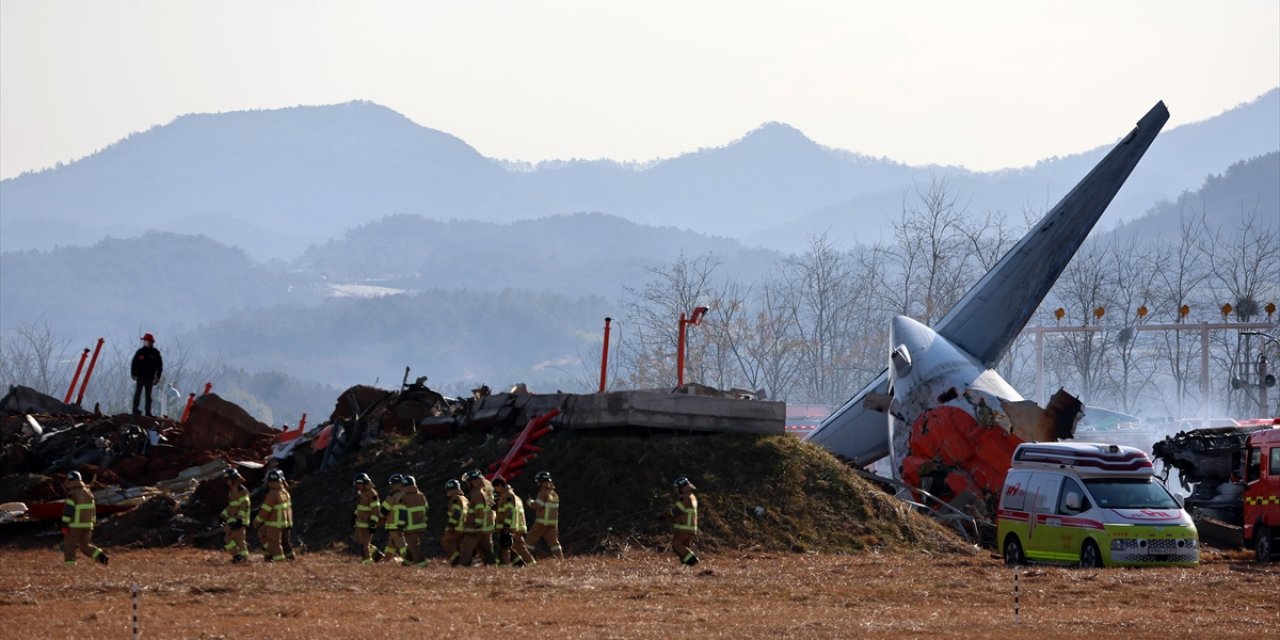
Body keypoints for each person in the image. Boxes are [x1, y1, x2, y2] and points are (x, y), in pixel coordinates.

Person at [60, 470, 109, 566]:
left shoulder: (72, 493)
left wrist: (65, 524)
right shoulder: (88, 492)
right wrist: (93, 522)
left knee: (69, 545)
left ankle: (70, 566)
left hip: (75, 525)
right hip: (88, 524)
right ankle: (101, 558)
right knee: (85, 546)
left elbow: (68, 510)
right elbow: (93, 509)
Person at [493, 476, 535, 567]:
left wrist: (506, 526)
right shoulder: (514, 496)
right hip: (516, 526)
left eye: (496, 488)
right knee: (515, 548)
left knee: (518, 548)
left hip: (511, 528)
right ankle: (523, 565)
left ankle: (532, 566)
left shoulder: (507, 496)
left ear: (499, 485)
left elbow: (510, 512)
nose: (496, 490)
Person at [457, 469, 495, 566]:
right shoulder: (485, 492)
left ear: (473, 482)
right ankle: (491, 566)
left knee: (467, 547)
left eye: (468, 482)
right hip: (487, 527)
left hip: (476, 528)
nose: (467, 485)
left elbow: (479, 511)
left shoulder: (477, 494)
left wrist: (476, 525)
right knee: (486, 549)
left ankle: (463, 567)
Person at [252, 470, 292, 562]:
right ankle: (288, 557)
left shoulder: (272, 494)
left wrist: (256, 522)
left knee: (274, 543)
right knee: (263, 534)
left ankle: (279, 561)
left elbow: (265, 511)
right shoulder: (285, 492)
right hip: (285, 522)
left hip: (274, 523)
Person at [525, 471, 563, 560]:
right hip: (552, 524)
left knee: (529, 541)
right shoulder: (554, 494)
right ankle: (560, 560)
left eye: (538, 482)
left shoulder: (543, 493)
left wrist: (529, 502)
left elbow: (538, 506)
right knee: (554, 544)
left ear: (541, 482)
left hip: (541, 523)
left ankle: (525, 559)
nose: (537, 484)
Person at [220, 468, 251, 563]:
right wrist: (222, 515)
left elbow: (244, 505)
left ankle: (238, 557)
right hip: (233, 518)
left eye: (228, 479)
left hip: (239, 520)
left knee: (226, 538)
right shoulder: (232, 491)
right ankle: (244, 559)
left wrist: (240, 520)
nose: (227, 482)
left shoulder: (241, 490)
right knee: (240, 540)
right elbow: (232, 506)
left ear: (233, 479)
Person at [398, 475, 429, 567]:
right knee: (412, 547)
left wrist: (400, 527)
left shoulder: (404, 498)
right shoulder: (421, 496)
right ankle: (405, 565)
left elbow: (402, 514)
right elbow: (426, 511)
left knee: (414, 548)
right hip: (421, 527)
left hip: (410, 528)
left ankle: (422, 566)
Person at [352, 473, 383, 564]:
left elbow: (375, 510)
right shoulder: (362, 493)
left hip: (368, 523)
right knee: (360, 542)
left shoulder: (372, 494)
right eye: (356, 484)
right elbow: (361, 507)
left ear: (365, 483)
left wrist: (373, 523)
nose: (358, 486)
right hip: (360, 523)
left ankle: (367, 563)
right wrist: (354, 515)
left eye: (359, 484)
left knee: (364, 545)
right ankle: (378, 556)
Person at [130, 333, 163, 417]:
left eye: (147, 341)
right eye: (145, 341)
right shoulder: (140, 352)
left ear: (151, 342)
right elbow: (134, 363)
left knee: (148, 395)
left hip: (150, 377)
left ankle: (148, 412)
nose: (146, 343)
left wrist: (158, 376)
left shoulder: (155, 353)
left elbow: (159, 366)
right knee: (138, 393)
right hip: (140, 376)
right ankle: (135, 410)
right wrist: (133, 373)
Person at [669, 476, 699, 566]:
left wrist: (666, 515)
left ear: (682, 487)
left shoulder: (686, 498)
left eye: (677, 488)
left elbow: (676, 511)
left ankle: (693, 560)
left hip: (685, 527)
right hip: (690, 527)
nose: (676, 491)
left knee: (676, 545)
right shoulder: (691, 496)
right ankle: (687, 565)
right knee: (684, 547)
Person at [378, 473, 406, 562]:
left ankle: (409, 561)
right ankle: (386, 561)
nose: (391, 486)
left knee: (401, 545)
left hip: (394, 526)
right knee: (390, 545)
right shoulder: (406, 494)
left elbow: (383, 512)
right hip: (402, 525)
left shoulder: (393, 496)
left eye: (392, 484)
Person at [442, 479, 468, 565]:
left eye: (448, 490)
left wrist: (451, 525)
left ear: (453, 490)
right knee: (458, 545)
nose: (447, 492)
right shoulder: (464, 499)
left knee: (446, 541)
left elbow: (456, 513)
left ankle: (456, 558)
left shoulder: (455, 499)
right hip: (464, 527)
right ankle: (460, 563)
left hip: (457, 527)